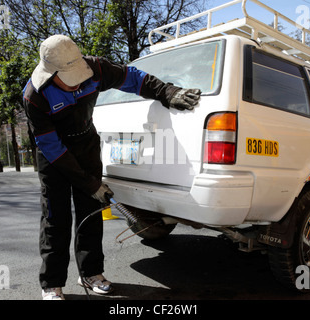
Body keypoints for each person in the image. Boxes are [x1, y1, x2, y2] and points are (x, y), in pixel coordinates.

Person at [23, 34, 201, 300]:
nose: (77, 84)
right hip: (54, 156)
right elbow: (53, 148)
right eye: (69, 80)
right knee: (55, 219)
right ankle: (51, 283)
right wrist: (90, 184)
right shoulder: (35, 96)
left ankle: (92, 273)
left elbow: (133, 78)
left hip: (86, 144)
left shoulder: (95, 68)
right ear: (51, 74)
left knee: (91, 213)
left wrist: (167, 91)